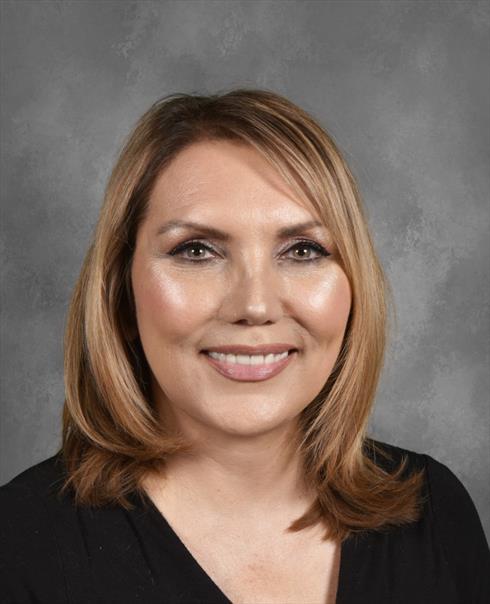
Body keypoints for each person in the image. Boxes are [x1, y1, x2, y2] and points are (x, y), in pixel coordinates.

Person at [0, 88, 488, 604]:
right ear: (121, 296)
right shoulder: (18, 549)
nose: (254, 305)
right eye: (196, 250)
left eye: (303, 250)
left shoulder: (433, 514)